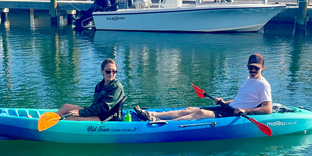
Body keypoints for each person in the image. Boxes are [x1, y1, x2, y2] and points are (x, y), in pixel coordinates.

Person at [135, 54, 272, 122]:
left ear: (263, 68)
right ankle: (152, 115)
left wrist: (245, 110)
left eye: (256, 68)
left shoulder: (263, 85)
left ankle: (162, 123)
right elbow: (240, 99)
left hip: (234, 114)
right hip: (228, 108)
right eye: (250, 67)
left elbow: (268, 109)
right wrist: (224, 102)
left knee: (199, 114)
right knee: (190, 109)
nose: (252, 70)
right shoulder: (249, 80)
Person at [56, 59, 125, 122]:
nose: (111, 74)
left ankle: (57, 127)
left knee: (71, 118)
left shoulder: (116, 87)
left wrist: (80, 113)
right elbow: (95, 105)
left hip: (107, 117)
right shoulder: (100, 85)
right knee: (66, 107)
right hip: (97, 113)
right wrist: (84, 112)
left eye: (114, 71)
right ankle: (49, 120)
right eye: (108, 71)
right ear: (102, 71)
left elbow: (103, 108)